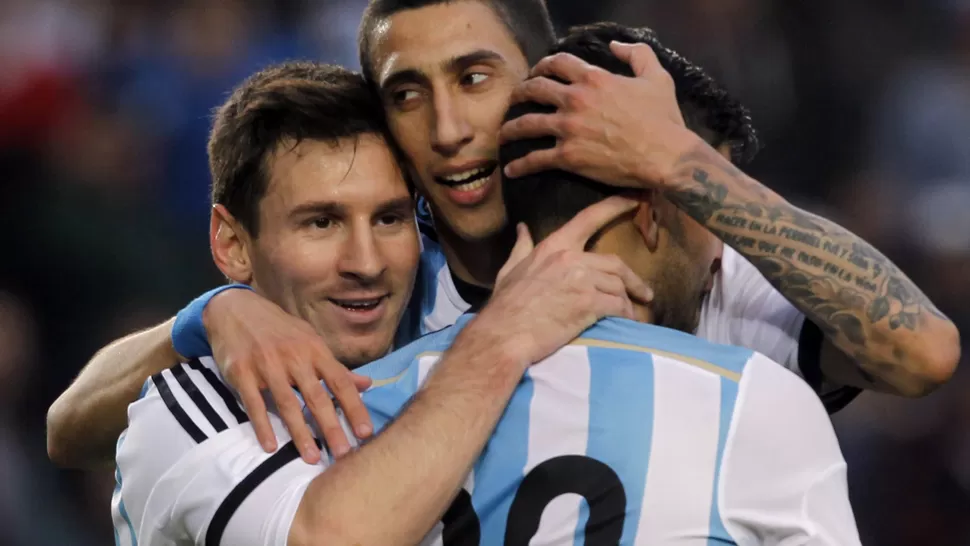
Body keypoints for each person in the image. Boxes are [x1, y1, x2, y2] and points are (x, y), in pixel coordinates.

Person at [48, 5, 960, 468]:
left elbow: (920, 353)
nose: (446, 129)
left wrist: (683, 162)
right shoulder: (376, 286)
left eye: (476, 78)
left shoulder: (677, 263)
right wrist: (211, 317)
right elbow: (73, 429)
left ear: (544, 78)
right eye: (409, 94)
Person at [114, 66, 860, 545]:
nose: (366, 263)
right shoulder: (193, 404)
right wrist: (211, 310)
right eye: (320, 223)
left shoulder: (445, 351)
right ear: (231, 241)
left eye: (389, 218)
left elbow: (926, 353)